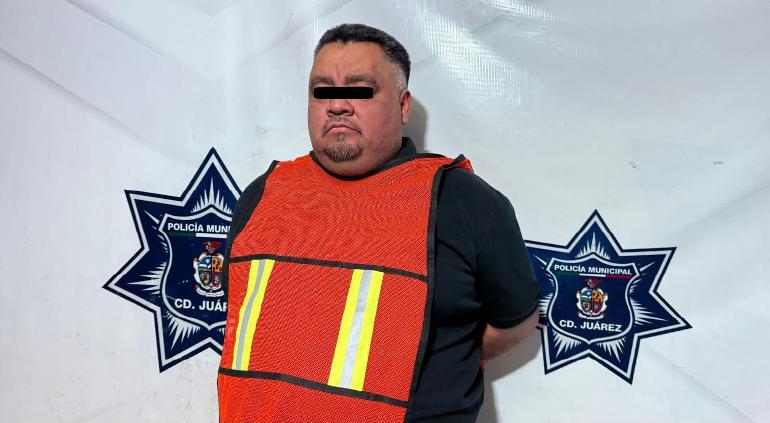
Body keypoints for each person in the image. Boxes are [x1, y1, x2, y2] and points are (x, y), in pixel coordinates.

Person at [217, 23, 539, 423]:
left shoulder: (464, 202)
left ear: (403, 106)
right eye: (322, 91)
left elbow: (514, 323)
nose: (338, 105)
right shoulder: (263, 194)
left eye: (361, 90)